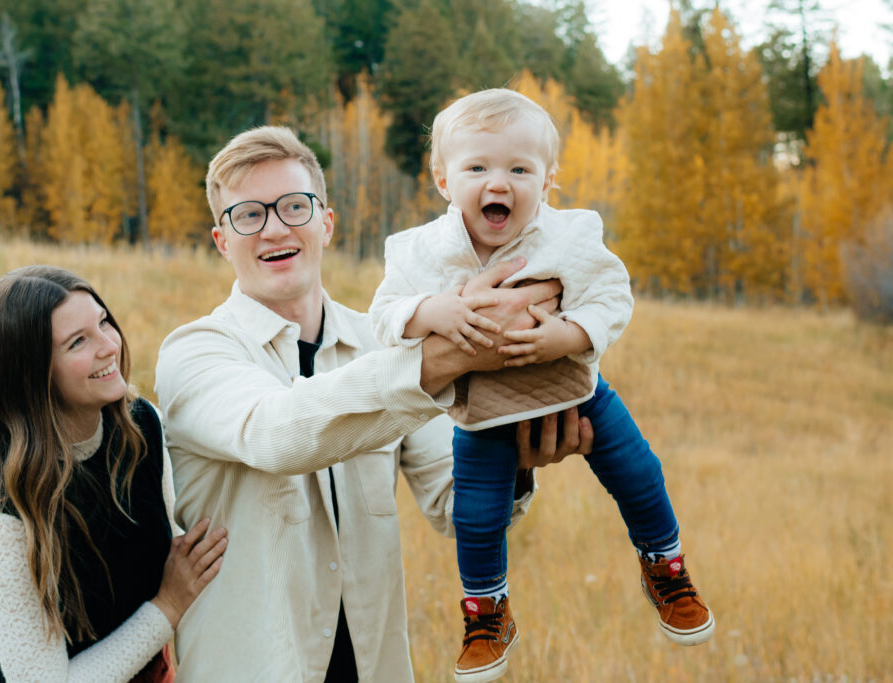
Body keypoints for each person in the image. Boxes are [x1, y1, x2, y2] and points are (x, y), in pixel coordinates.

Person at [154, 125, 593, 682]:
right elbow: (277, 433)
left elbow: (454, 506)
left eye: (294, 206)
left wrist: (517, 461)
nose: (274, 229)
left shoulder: (386, 346)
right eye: (248, 215)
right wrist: (458, 352)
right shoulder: (194, 353)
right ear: (222, 241)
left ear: (326, 224)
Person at [369, 88, 715, 682]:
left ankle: (665, 565)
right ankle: (486, 612)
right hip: (483, 412)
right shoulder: (420, 251)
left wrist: (571, 335)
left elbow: (612, 296)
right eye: (477, 167)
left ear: (549, 179)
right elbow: (384, 315)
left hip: (578, 394)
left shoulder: (570, 236)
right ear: (442, 179)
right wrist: (433, 311)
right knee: (477, 516)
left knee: (638, 471)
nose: (497, 182)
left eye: (519, 169)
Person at [0, 265, 229, 682]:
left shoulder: (140, 426)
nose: (109, 346)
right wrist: (166, 607)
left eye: (103, 322)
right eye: (78, 342)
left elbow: (173, 552)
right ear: (30, 374)